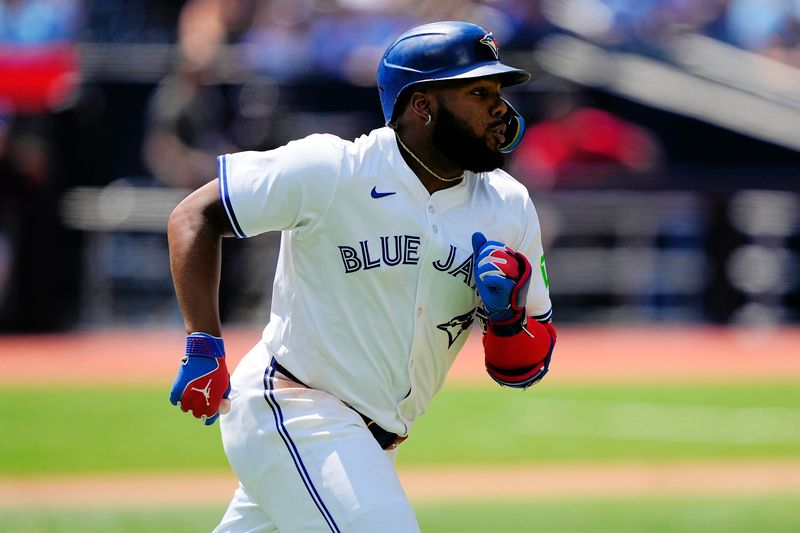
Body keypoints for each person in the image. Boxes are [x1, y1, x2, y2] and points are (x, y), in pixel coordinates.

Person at [167, 21, 557, 532]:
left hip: (371, 445)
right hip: (294, 407)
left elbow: (527, 367)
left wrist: (506, 319)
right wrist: (203, 343)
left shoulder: (509, 206)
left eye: (499, 92)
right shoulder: (334, 169)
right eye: (479, 92)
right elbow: (195, 215)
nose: (500, 108)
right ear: (423, 105)